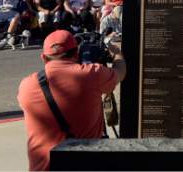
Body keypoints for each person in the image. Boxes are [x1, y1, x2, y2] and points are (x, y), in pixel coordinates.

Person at [17, 30, 126, 170]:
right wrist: (116, 52)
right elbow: (120, 72)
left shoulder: (27, 85)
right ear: (76, 53)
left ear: (43, 57)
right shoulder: (91, 74)